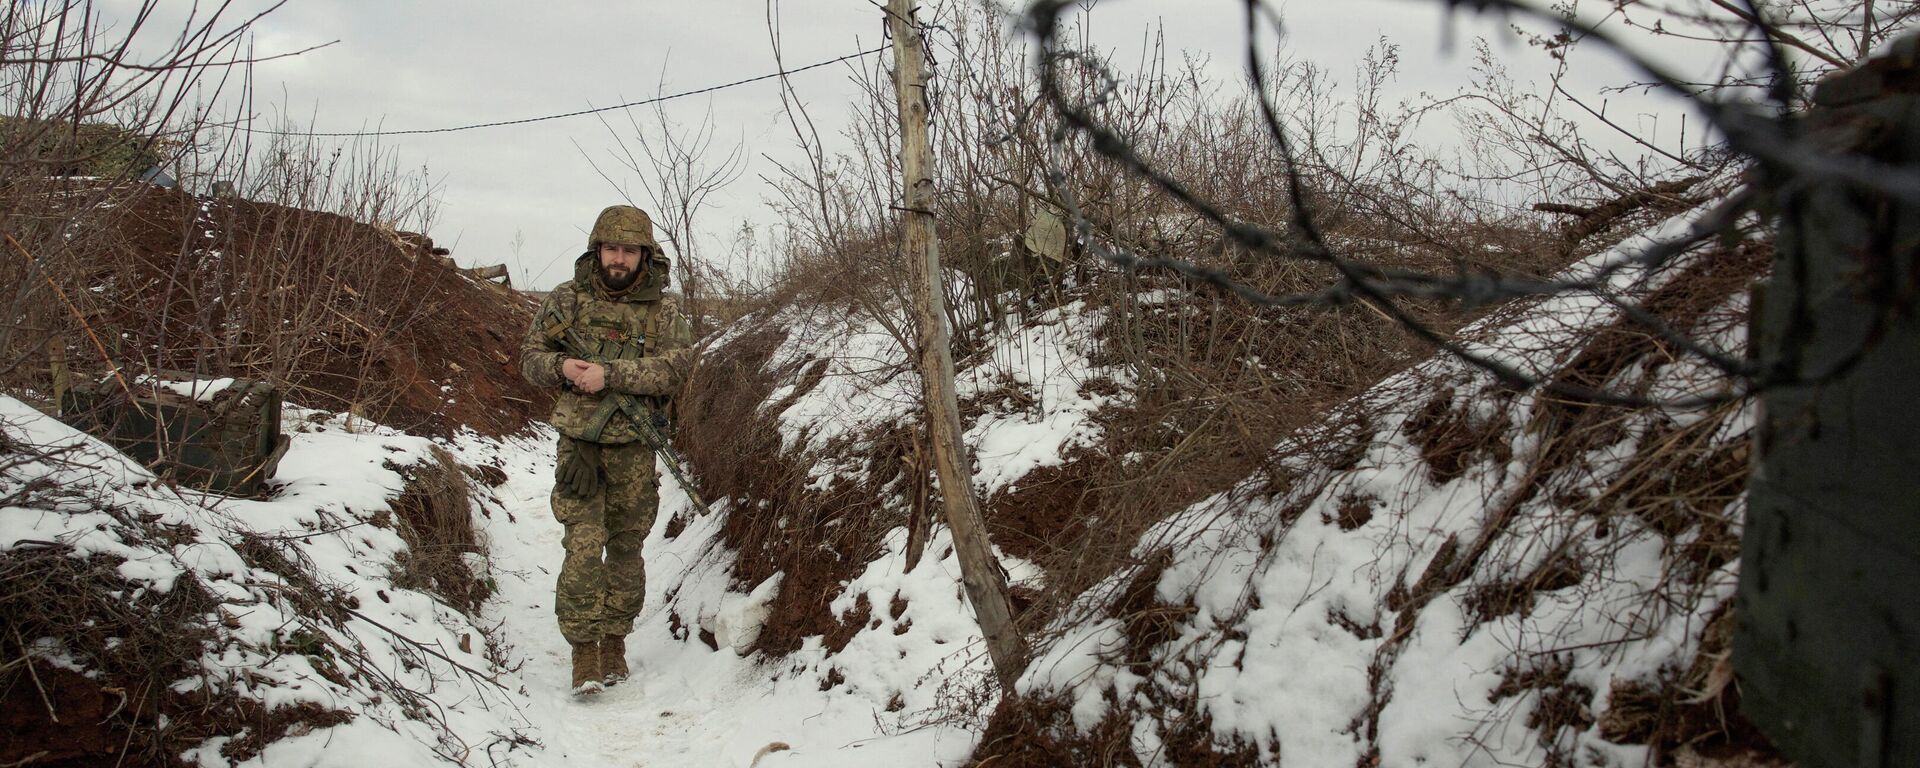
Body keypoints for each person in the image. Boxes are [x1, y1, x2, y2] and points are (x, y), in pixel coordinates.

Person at [520, 205, 692, 695]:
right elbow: (530, 358)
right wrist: (564, 368)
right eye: (612, 248)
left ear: (645, 256)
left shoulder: (665, 311)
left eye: (629, 250)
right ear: (597, 250)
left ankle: (614, 639)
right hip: (580, 447)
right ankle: (583, 651)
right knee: (580, 548)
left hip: (635, 450)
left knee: (625, 549)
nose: (619, 258)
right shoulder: (566, 301)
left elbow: (676, 368)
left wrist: (611, 375)